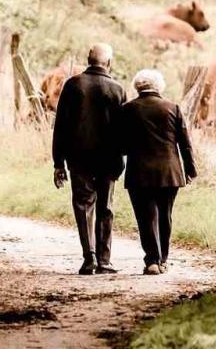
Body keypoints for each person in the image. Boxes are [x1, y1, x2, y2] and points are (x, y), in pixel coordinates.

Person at [52, 43, 126, 275]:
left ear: (88, 59)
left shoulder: (73, 85)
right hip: (109, 159)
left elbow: (60, 127)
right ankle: (105, 260)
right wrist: (122, 157)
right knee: (106, 207)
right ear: (109, 63)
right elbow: (124, 130)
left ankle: (89, 257)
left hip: (79, 158)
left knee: (83, 205)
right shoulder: (117, 89)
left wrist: (58, 162)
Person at [120, 69, 197, 275]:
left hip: (139, 172)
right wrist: (190, 169)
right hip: (169, 172)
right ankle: (163, 259)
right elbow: (185, 143)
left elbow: (121, 145)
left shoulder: (127, 109)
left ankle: (152, 260)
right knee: (165, 215)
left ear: (137, 86)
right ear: (159, 86)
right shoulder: (173, 108)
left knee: (145, 217)